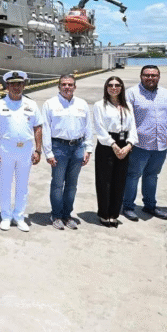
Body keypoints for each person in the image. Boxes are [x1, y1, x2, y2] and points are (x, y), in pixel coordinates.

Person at [0, 71, 42, 232]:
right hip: (6, 147)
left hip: (25, 148)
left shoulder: (31, 105)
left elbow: (38, 127)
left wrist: (38, 150)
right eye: (12, 84)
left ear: (24, 86)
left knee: (22, 185)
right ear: (7, 86)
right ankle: (5, 216)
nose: (16, 87)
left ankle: (19, 216)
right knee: (5, 184)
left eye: (19, 84)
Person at [122, 65, 167, 221]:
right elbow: (127, 120)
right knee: (133, 176)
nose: (150, 78)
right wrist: (129, 142)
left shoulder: (166, 94)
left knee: (152, 176)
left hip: (160, 145)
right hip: (139, 145)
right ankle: (127, 206)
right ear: (141, 76)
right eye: (147, 75)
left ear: (159, 77)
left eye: (154, 75)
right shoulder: (132, 94)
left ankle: (150, 205)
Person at [41, 75, 94, 230]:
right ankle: (56, 215)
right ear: (59, 87)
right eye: (63, 84)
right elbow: (45, 128)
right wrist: (48, 152)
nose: (67, 87)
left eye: (70, 84)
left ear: (74, 87)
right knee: (57, 184)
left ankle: (67, 215)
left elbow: (88, 128)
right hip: (59, 147)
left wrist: (88, 149)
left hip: (78, 147)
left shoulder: (82, 104)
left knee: (72, 185)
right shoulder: (50, 104)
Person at [93, 76, 138, 227]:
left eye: (117, 85)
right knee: (104, 181)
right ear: (106, 88)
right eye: (110, 85)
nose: (114, 87)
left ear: (122, 87)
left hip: (124, 144)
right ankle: (104, 214)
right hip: (106, 145)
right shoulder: (100, 105)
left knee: (119, 181)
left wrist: (129, 145)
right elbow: (99, 128)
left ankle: (114, 214)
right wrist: (113, 144)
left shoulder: (128, 105)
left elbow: (133, 128)